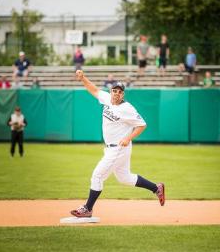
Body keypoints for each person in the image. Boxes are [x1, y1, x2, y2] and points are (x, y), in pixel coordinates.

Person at [70, 70, 165, 218]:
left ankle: (88, 208)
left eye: (119, 92)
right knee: (124, 178)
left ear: (123, 95)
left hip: (119, 148)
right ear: (111, 91)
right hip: (110, 148)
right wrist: (83, 78)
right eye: (114, 90)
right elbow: (93, 89)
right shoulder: (107, 98)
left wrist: (128, 138)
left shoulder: (127, 108)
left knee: (97, 176)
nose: (116, 93)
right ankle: (156, 188)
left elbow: (142, 125)